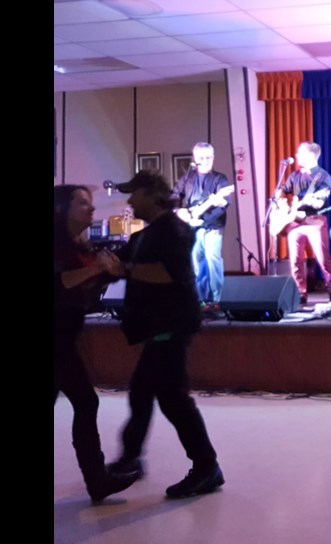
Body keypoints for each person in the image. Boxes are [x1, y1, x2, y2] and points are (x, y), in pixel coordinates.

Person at [102, 169, 225, 499]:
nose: (129, 200)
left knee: (173, 399)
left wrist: (124, 269)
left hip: (171, 326)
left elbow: (167, 274)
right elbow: (120, 261)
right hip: (158, 328)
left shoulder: (174, 230)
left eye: (134, 194)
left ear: (152, 194)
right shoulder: (145, 234)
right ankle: (131, 458)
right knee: (141, 392)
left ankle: (206, 467)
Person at [54, 185, 140, 502]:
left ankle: (98, 480)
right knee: (87, 403)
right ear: (62, 209)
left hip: (63, 337)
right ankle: (98, 480)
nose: (91, 209)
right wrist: (98, 269)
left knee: (86, 403)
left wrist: (113, 272)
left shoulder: (80, 243)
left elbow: (87, 280)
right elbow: (60, 281)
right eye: (82, 203)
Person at [170, 142, 232, 311]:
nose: (205, 161)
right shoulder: (187, 178)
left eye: (208, 157)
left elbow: (224, 205)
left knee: (213, 258)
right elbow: (174, 196)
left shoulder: (220, 179)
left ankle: (218, 299)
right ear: (195, 159)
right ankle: (201, 300)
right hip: (192, 226)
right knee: (197, 263)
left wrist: (205, 218)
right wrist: (178, 211)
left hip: (213, 225)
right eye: (201, 158)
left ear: (213, 158)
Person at [276, 141, 331, 304]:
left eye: (299, 153)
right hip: (295, 222)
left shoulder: (323, 176)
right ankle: (301, 293)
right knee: (295, 260)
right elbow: (281, 192)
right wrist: (282, 204)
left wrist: (311, 201)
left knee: (323, 259)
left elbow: (320, 202)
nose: (296, 155)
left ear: (310, 156)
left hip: (314, 221)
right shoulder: (294, 175)